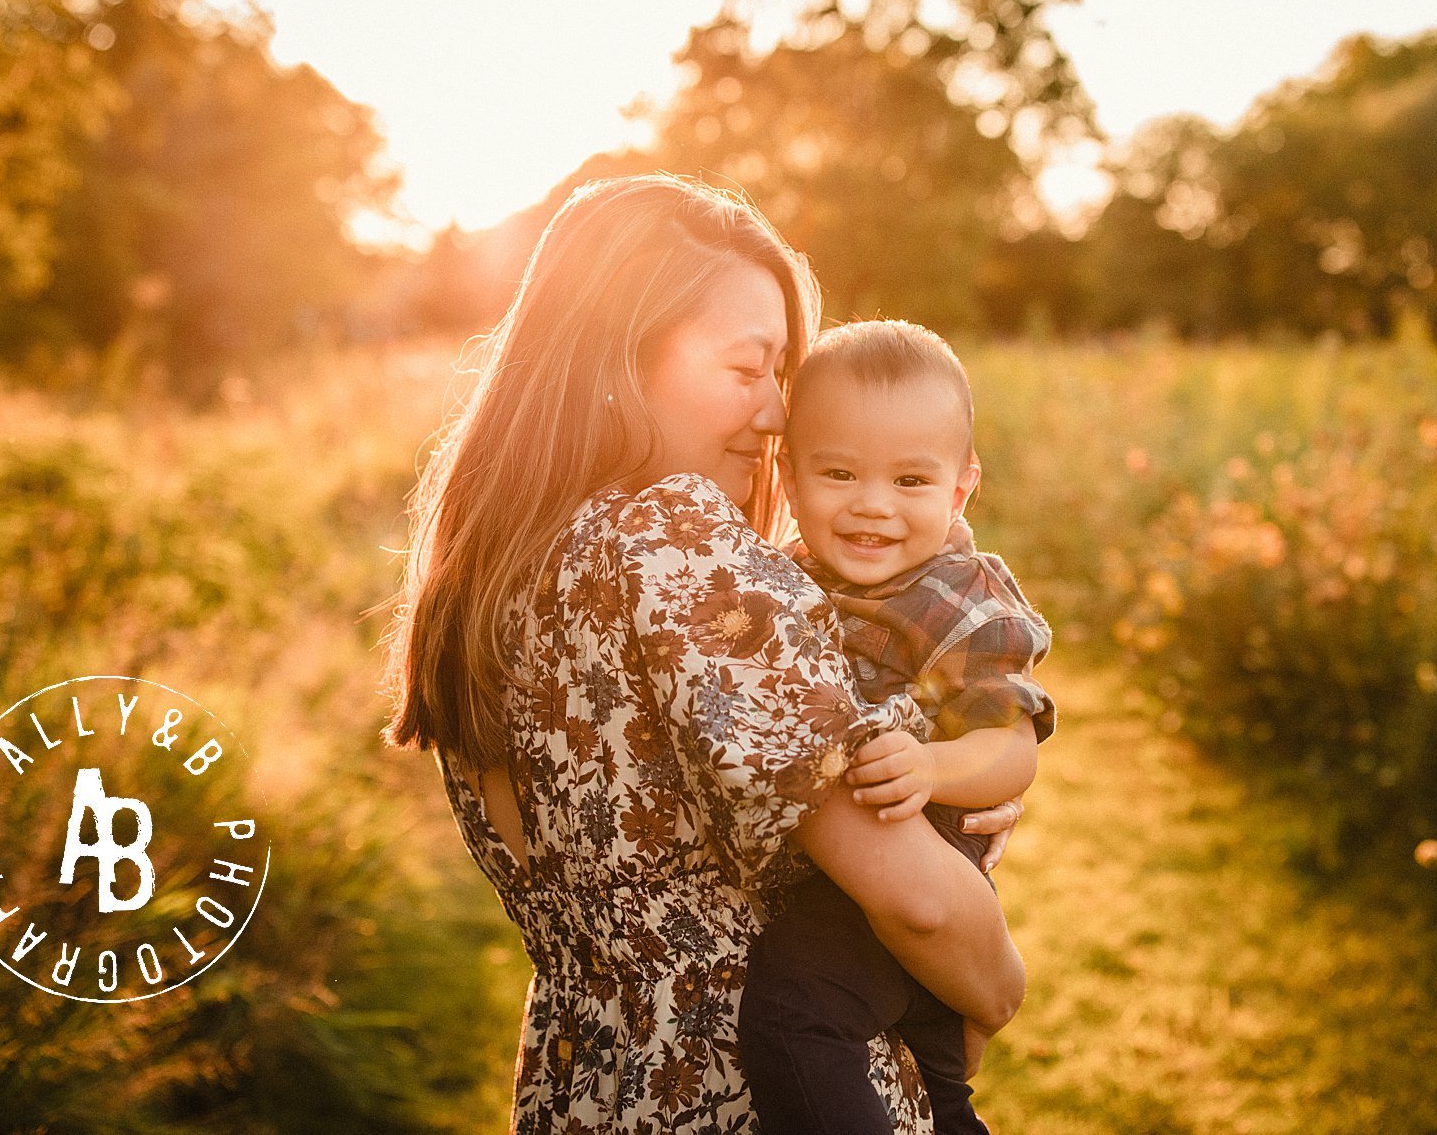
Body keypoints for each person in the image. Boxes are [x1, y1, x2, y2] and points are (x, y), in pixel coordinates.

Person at [382, 174, 1027, 1134]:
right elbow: (922, 905)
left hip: (583, 1091)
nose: (777, 413)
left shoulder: (487, 577)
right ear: (618, 357)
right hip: (749, 1096)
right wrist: (1000, 986)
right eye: (748, 369)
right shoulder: (677, 544)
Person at [738, 320, 1054, 1135]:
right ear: (789, 475)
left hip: (907, 869)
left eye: (911, 481)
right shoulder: (778, 578)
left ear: (960, 490)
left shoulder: (956, 600)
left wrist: (933, 769)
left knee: (791, 1016)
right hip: (843, 876)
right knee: (941, 1097)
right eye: (839, 472)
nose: (872, 505)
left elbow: (1009, 746)